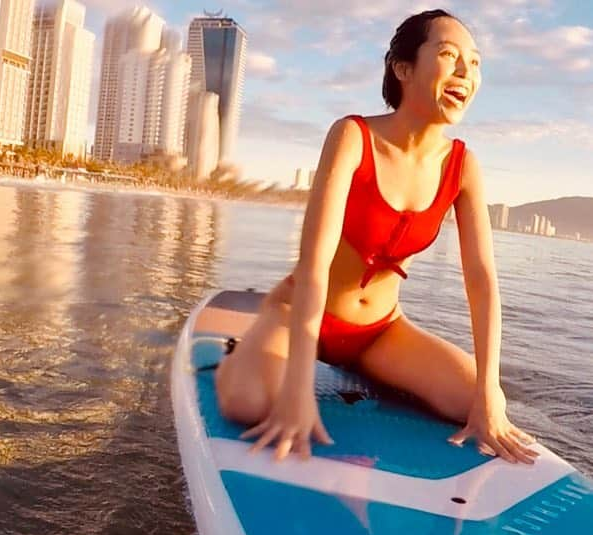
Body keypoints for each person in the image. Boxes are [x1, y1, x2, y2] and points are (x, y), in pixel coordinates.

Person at [215, 9, 539, 464]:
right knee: (247, 403)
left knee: (481, 401)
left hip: (380, 333)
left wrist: (489, 392)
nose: (466, 70)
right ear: (403, 69)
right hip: (301, 312)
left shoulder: (463, 166)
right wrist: (296, 390)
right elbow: (313, 264)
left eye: (476, 61)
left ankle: (385, 376)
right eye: (449, 55)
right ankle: (240, 356)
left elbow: (482, 281)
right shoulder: (353, 136)